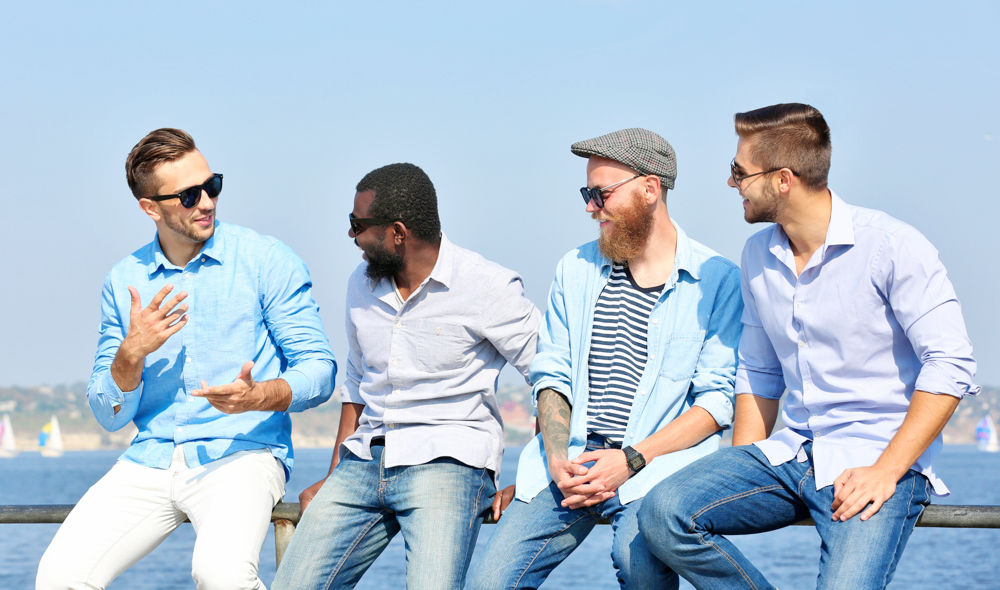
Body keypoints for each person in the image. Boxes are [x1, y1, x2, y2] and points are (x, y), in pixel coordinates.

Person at [638, 103, 979, 590]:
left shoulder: (892, 246)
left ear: (782, 179)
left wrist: (887, 471)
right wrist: (738, 469)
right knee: (661, 513)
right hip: (789, 454)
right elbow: (758, 370)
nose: (730, 183)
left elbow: (950, 363)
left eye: (738, 171)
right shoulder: (757, 254)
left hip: (874, 461)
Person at [36, 128, 337, 590]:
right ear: (150, 207)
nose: (207, 202)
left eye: (212, 185)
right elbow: (108, 415)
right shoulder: (125, 280)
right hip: (149, 459)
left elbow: (320, 370)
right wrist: (129, 355)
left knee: (220, 576)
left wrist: (260, 396)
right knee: (59, 577)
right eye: (189, 194)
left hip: (242, 454)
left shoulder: (266, 260)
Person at [467, 129, 743, 590]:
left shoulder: (717, 281)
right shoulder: (574, 269)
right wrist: (557, 460)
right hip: (568, 468)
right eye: (586, 193)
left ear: (650, 189)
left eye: (601, 193)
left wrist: (630, 460)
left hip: (654, 472)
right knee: (489, 584)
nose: (590, 206)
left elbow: (716, 403)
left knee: (637, 567)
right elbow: (550, 372)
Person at [271, 163, 541, 590]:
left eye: (357, 225)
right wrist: (334, 472)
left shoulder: (486, 286)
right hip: (363, 462)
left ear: (397, 232)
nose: (351, 236)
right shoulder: (361, 283)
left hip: (449, 461)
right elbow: (357, 384)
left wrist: (533, 478)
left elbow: (551, 375)